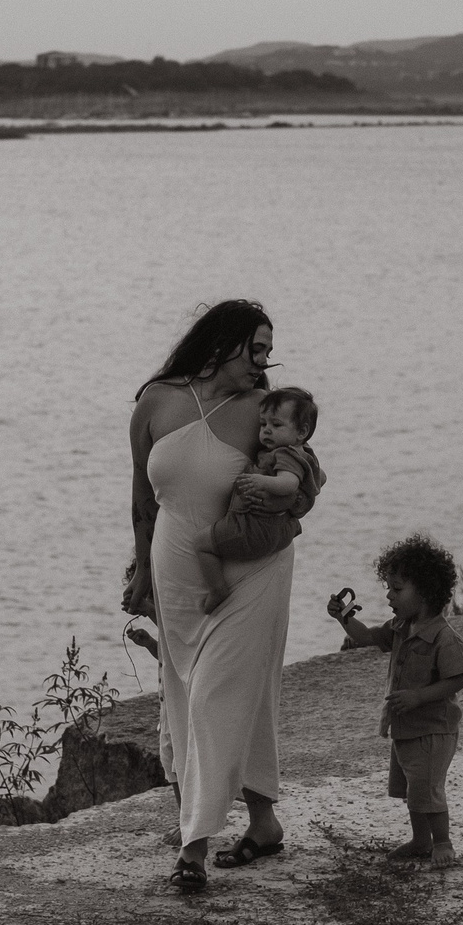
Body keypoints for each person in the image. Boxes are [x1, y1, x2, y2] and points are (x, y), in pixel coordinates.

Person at [124, 300, 300, 891]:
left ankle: (193, 847)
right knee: (188, 694)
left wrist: (276, 492)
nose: (263, 362)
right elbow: (143, 501)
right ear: (222, 343)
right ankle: (263, 823)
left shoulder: (263, 413)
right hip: (176, 572)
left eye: (268, 352)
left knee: (215, 695)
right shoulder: (156, 399)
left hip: (250, 573)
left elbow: (301, 481)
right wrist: (139, 574)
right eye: (256, 349)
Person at [326, 534, 463, 867]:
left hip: (433, 730)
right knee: (411, 789)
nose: (388, 595)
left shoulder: (444, 638)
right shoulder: (402, 626)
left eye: (397, 589)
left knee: (428, 789)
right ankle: (421, 840)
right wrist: (342, 617)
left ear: (425, 592)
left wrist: (419, 696)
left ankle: (443, 842)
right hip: (405, 727)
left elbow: (457, 678)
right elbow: (365, 638)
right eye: (388, 587)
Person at [198, 387, 326, 614]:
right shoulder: (305, 454)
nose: (266, 431)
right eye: (263, 424)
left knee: (202, 544)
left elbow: (289, 483)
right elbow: (321, 478)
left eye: (276, 425)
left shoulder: (286, 454)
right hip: (283, 531)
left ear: (301, 431)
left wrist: (261, 481)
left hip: (254, 529)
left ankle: (217, 589)